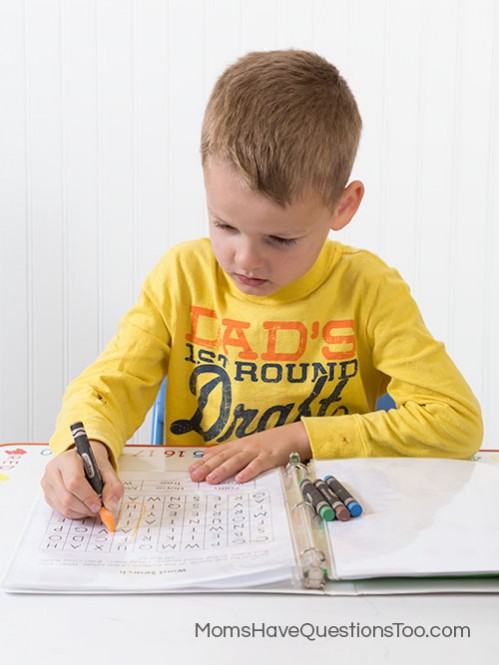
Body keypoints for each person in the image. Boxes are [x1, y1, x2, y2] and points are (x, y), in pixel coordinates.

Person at [41, 49, 482, 520]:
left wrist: (300, 438)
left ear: (343, 206)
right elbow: (112, 382)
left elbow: (455, 421)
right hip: (205, 521)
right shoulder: (182, 276)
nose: (245, 259)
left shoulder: (370, 290)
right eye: (224, 225)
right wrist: (81, 445)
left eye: (280, 238)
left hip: (333, 522)